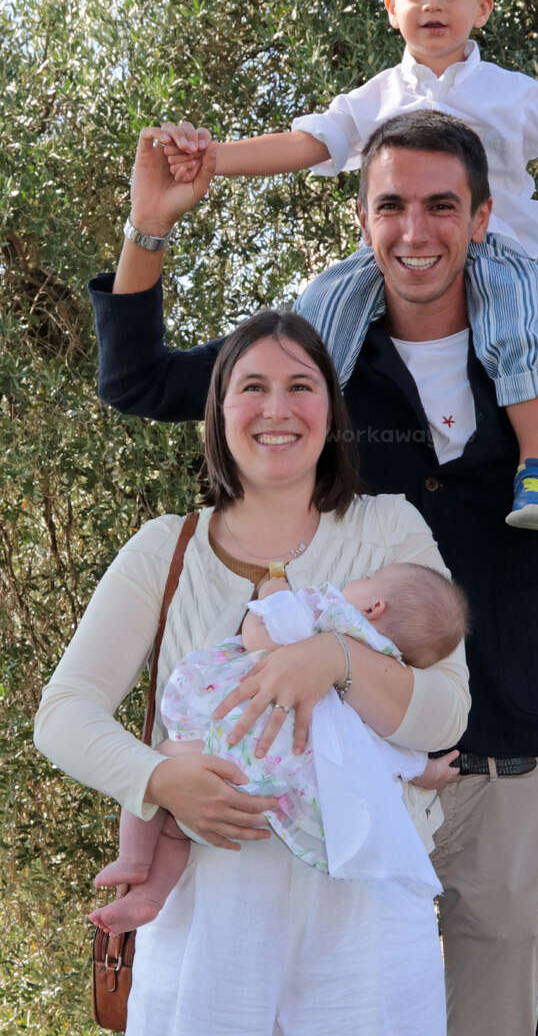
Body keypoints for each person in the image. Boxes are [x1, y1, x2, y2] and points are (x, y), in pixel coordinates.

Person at [87, 112, 538, 1036]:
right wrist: (149, 226)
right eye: (391, 206)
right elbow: (137, 381)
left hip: (513, 769)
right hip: (346, 785)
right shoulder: (319, 363)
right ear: (362, 219)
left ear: (483, 216)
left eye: (442, 206)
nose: (414, 231)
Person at [159, 0, 538, 534]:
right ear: (391, 7)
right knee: (315, 319)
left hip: (496, 254)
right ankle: (298, 472)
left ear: (483, 8)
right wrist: (215, 159)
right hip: (394, 260)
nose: (432, 4)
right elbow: (308, 145)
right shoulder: (375, 97)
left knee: (523, 334)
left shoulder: (510, 92)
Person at [35, 306, 471, 1036]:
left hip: (364, 908)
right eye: (253, 387)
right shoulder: (164, 548)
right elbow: (63, 712)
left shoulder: (390, 530)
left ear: (331, 411)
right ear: (218, 411)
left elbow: (446, 712)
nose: (277, 409)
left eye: (301, 387)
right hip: (205, 902)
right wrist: (160, 780)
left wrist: (334, 659)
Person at [90, 563, 467, 936]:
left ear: (374, 606)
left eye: (367, 579)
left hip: (241, 748)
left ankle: (134, 860)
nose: (356, 579)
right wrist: (429, 772)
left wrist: (271, 593)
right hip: (274, 795)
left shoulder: (329, 618)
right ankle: (150, 897)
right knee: (176, 830)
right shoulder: (383, 675)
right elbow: (384, 752)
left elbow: (262, 637)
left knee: (157, 766)